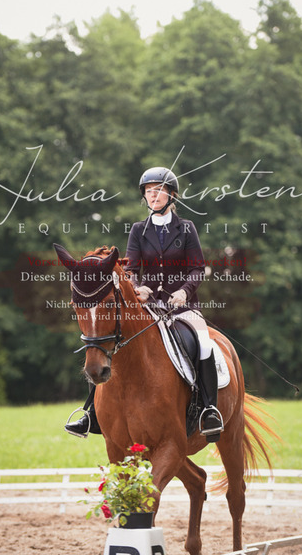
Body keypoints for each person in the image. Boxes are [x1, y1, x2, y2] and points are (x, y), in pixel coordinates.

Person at [65, 167, 223, 442]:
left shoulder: (186, 228)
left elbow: (197, 268)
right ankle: (91, 412)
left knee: (203, 340)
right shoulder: (139, 230)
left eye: (159, 190)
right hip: (147, 305)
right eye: (149, 191)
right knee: (106, 338)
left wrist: (184, 292)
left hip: (181, 307)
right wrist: (139, 287)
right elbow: (131, 268)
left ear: (171, 195)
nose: (153, 195)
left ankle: (209, 409)